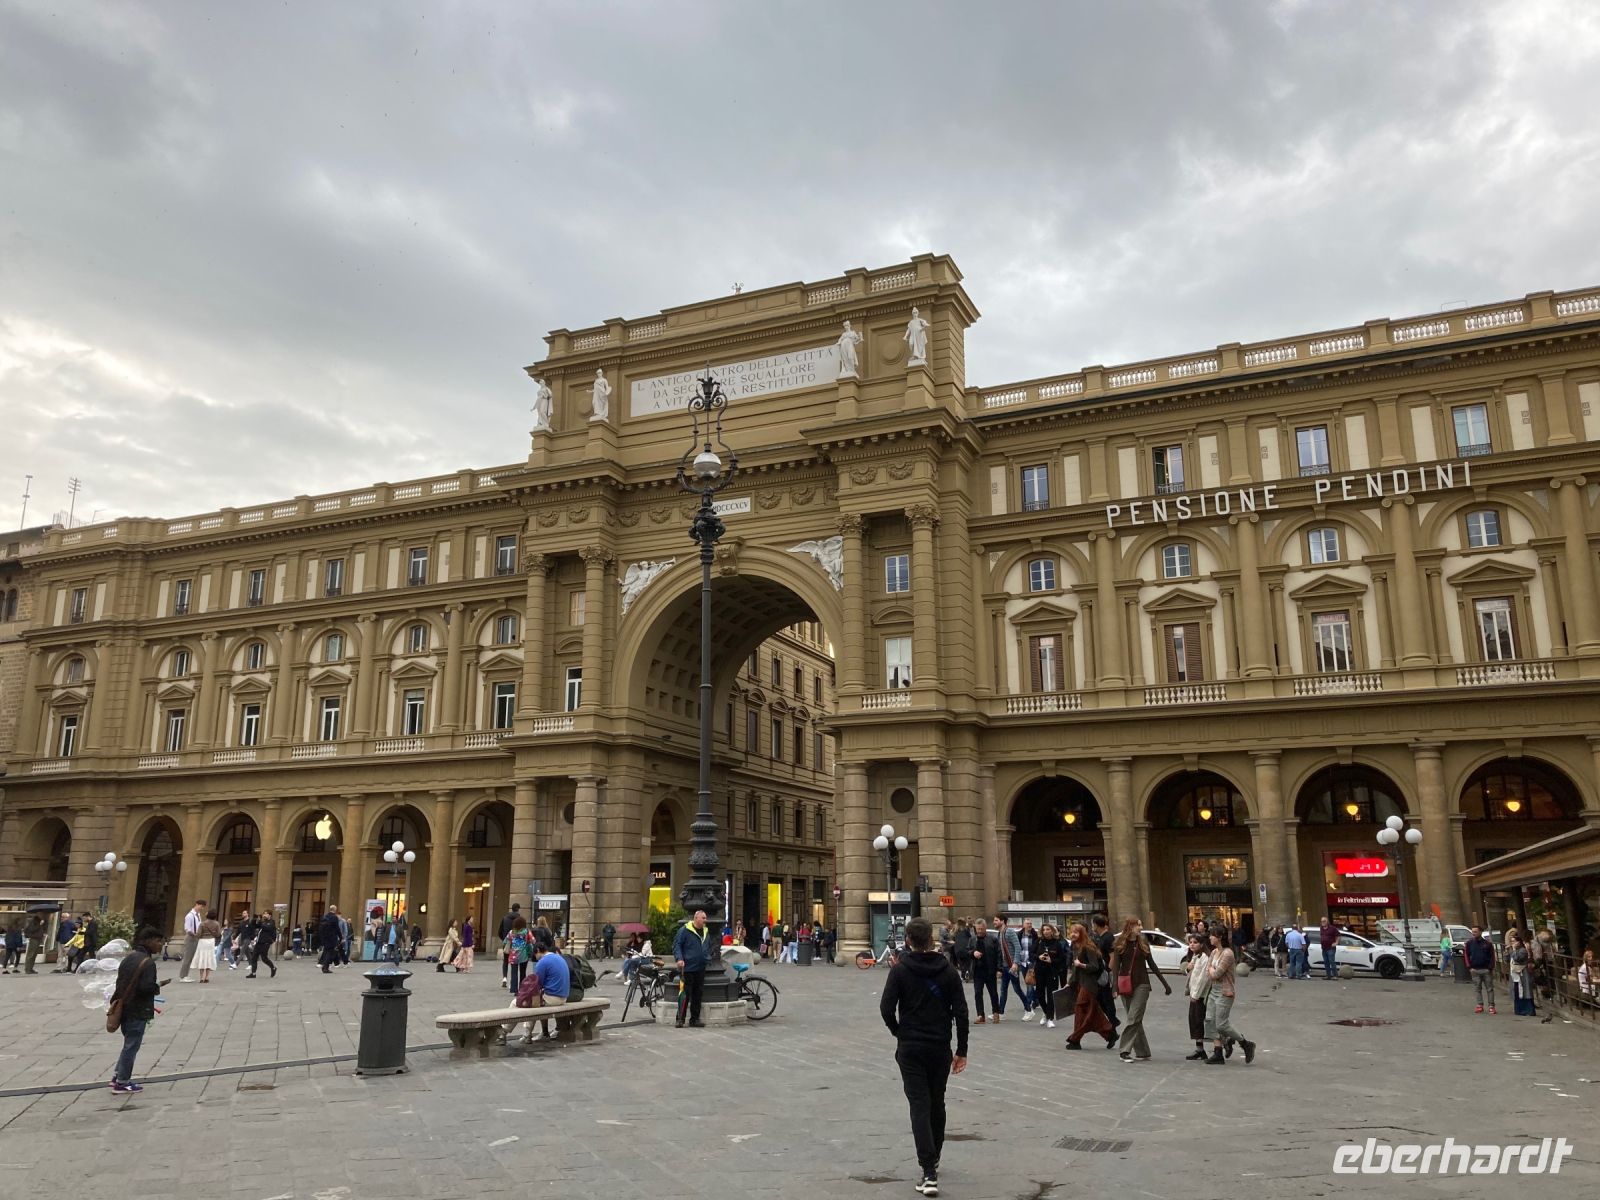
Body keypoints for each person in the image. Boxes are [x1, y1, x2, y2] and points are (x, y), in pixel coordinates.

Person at [879, 917, 968, 1198]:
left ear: (908, 940)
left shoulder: (900, 970)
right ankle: (935, 1158)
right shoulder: (949, 970)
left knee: (919, 1105)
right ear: (932, 939)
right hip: (939, 1047)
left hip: (911, 1047)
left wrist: (899, 1032)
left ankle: (928, 1171)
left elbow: (885, 1008)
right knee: (936, 1101)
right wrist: (961, 1050)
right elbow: (962, 1014)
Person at [108, 927, 168, 1094]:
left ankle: (116, 1076)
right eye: (158, 941)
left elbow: (121, 983)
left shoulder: (129, 958)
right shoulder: (148, 963)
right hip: (137, 1009)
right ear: (147, 941)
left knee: (128, 1043)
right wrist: (157, 986)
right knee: (131, 1046)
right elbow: (145, 988)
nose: (160, 945)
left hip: (125, 1007)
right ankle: (122, 1082)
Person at [1109, 917, 1172, 1062]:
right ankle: (1143, 1051)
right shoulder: (1119, 944)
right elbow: (1115, 969)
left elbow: (1152, 964)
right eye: (1138, 925)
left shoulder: (1143, 943)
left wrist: (1165, 983)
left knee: (1133, 1017)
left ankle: (1124, 1050)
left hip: (1142, 984)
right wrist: (1114, 987)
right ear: (1130, 927)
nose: (1141, 927)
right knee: (1135, 1019)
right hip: (1125, 985)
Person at [1204, 924, 1255, 1064]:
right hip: (1213, 990)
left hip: (1224, 991)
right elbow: (1208, 972)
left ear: (1219, 937)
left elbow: (1216, 973)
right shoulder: (1214, 952)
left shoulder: (1228, 953)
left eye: (1212, 935)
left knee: (1221, 1024)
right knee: (1210, 1021)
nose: (1210, 938)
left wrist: (1211, 970)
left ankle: (1245, 1043)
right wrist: (1211, 971)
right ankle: (1218, 1052)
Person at [1063, 923, 1118, 1051]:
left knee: (1081, 1011)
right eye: (1071, 932)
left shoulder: (1088, 947)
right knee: (1092, 1013)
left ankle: (1075, 1040)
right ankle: (1110, 1033)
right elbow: (1075, 969)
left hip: (1090, 985)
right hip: (1081, 984)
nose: (1072, 935)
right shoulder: (1075, 947)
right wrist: (1070, 982)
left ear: (1082, 934)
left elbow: (1095, 966)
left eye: (1075, 932)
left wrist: (1081, 965)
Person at [673, 909, 712, 1028]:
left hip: (700, 967)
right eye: (703, 918)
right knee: (685, 994)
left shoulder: (705, 931)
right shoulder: (684, 930)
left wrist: (707, 957)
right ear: (696, 918)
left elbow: (708, 946)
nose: (705, 920)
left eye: (705, 918)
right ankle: (680, 1019)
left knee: (697, 994)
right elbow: (677, 945)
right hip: (687, 968)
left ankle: (694, 1019)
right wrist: (679, 958)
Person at [526, 942, 571, 1041]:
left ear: (537, 951)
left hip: (552, 998)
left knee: (528, 1003)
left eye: (535, 955)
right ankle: (543, 1032)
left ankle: (524, 1033)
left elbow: (537, 984)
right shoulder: (559, 958)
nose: (535, 958)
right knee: (539, 1001)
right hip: (564, 997)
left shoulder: (542, 962)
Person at [1182, 933, 1212, 1061]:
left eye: (1195, 942)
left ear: (1201, 944)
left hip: (1200, 995)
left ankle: (1225, 1041)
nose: (1192, 945)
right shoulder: (1195, 956)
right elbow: (1189, 971)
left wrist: (1196, 995)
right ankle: (1199, 1049)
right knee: (1194, 1021)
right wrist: (1187, 969)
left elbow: (1203, 979)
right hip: (1194, 994)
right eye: (1190, 942)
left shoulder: (1205, 957)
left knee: (1200, 1021)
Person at [994, 916, 1031, 1020]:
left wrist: (1015, 963)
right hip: (1005, 966)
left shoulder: (1009, 932)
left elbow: (1018, 947)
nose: (994, 922)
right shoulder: (1000, 933)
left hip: (1012, 966)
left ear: (1002, 921)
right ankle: (1001, 1013)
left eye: (996, 920)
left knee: (1017, 989)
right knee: (1003, 990)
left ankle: (1029, 1010)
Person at [1090, 915, 1122, 1033]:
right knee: (1101, 998)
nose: (1092, 926)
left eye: (1093, 924)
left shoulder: (1108, 937)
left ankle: (1113, 1020)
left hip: (1105, 972)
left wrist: (1108, 971)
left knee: (1107, 998)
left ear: (1096, 925)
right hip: (1100, 971)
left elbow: (1112, 956)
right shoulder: (1100, 937)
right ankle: (1113, 1020)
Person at [1032, 923, 1066, 1030]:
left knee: (1051, 996)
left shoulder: (1057, 943)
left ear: (1052, 931)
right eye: (1044, 930)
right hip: (1039, 972)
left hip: (1052, 972)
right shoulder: (1038, 942)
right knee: (1039, 994)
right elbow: (1031, 953)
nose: (1045, 931)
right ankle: (1046, 1013)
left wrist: (1052, 960)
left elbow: (1062, 959)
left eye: (1048, 929)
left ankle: (1050, 1019)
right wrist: (1039, 957)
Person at [968, 918, 1000, 1024]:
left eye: (981, 929)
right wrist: (973, 953)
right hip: (977, 971)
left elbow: (999, 955)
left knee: (993, 993)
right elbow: (967, 952)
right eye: (978, 929)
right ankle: (980, 1015)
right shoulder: (972, 939)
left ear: (985, 928)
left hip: (990, 970)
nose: (980, 931)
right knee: (978, 993)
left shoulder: (993, 939)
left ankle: (996, 1012)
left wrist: (999, 969)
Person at [1463, 924, 1496, 1013]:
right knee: (1477, 988)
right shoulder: (1469, 943)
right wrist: (1469, 967)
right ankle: (1479, 1005)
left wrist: (1490, 967)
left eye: (1475, 932)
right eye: (1472, 932)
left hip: (1486, 969)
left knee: (1489, 988)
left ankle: (1491, 1005)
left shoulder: (1487, 944)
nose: (1473, 933)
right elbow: (1466, 955)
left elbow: (1492, 956)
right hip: (1475, 969)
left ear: (1480, 932)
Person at [1508, 931, 1537, 1017]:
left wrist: (1513, 950)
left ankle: (1528, 1010)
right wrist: (1507, 951)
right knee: (1517, 992)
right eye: (1512, 941)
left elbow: (1517, 958)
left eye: (1514, 941)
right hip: (1514, 974)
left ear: (1519, 942)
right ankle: (1519, 1010)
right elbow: (1507, 960)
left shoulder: (1523, 950)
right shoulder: (1513, 951)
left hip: (1522, 974)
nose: (1512, 943)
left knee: (1525, 991)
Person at [178, 899, 205, 982]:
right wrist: (195, 934)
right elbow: (187, 929)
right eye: (201, 906)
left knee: (190, 957)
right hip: (191, 937)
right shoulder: (190, 915)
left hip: (196, 937)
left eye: (203, 907)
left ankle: (186, 975)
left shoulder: (198, 915)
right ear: (196, 904)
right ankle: (182, 976)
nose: (202, 908)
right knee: (187, 957)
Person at [506, 915, 533, 996]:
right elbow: (533, 940)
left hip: (513, 955)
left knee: (514, 972)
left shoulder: (511, 932)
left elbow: (505, 941)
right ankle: (522, 989)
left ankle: (514, 990)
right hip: (523, 954)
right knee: (523, 972)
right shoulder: (526, 931)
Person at [192, 910, 221, 983]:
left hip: (202, 941)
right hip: (211, 941)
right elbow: (218, 934)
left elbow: (198, 935)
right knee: (209, 958)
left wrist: (193, 934)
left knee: (202, 958)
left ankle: (201, 978)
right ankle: (207, 977)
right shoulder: (217, 924)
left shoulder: (202, 924)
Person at [247, 910, 277, 978]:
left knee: (264, 958)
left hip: (266, 942)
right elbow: (256, 926)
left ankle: (273, 968)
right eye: (264, 913)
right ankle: (253, 973)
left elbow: (267, 928)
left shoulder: (271, 922)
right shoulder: (264, 922)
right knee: (254, 957)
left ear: (270, 915)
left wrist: (260, 922)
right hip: (259, 942)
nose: (264, 915)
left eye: (266, 914)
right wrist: (254, 921)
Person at [499, 903, 522, 987]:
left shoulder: (505, 918)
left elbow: (499, 931)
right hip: (517, 944)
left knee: (505, 961)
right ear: (518, 909)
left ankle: (504, 977)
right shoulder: (520, 919)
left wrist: (505, 939)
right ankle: (513, 981)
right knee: (514, 962)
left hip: (507, 943)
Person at [318, 906, 343, 973]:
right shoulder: (334, 917)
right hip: (331, 938)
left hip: (325, 937)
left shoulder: (325, 916)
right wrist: (340, 937)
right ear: (335, 910)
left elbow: (320, 928)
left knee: (326, 951)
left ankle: (324, 966)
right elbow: (337, 928)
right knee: (330, 952)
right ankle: (325, 967)